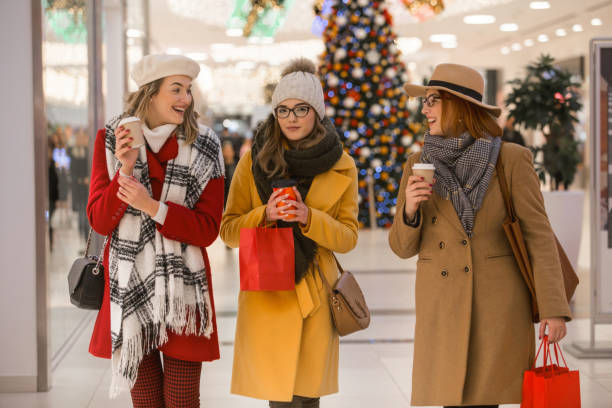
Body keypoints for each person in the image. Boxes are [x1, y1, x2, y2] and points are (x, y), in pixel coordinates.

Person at [389, 63, 571, 408]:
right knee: (450, 396)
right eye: (424, 102)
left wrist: (553, 309)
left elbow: (539, 237)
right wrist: (410, 210)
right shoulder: (418, 162)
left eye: (432, 101)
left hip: (497, 305)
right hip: (442, 303)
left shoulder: (511, 160)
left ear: (459, 106)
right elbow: (401, 248)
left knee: (486, 400)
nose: (424, 110)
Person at [219, 58, 359, 408]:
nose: (291, 118)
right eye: (283, 110)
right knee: (279, 400)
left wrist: (310, 217)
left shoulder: (342, 165)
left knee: (307, 399)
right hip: (270, 291)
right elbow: (228, 231)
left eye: (301, 108)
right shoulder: (254, 163)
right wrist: (263, 214)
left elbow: (348, 237)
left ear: (317, 111)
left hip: (317, 294)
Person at [86, 54, 225, 406]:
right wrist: (125, 170)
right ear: (149, 94)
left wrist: (153, 207)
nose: (185, 99)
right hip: (130, 289)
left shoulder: (205, 145)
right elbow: (100, 222)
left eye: (188, 90)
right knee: (146, 402)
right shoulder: (111, 139)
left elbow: (208, 229)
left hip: (184, 294)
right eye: (175, 89)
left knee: (181, 401)